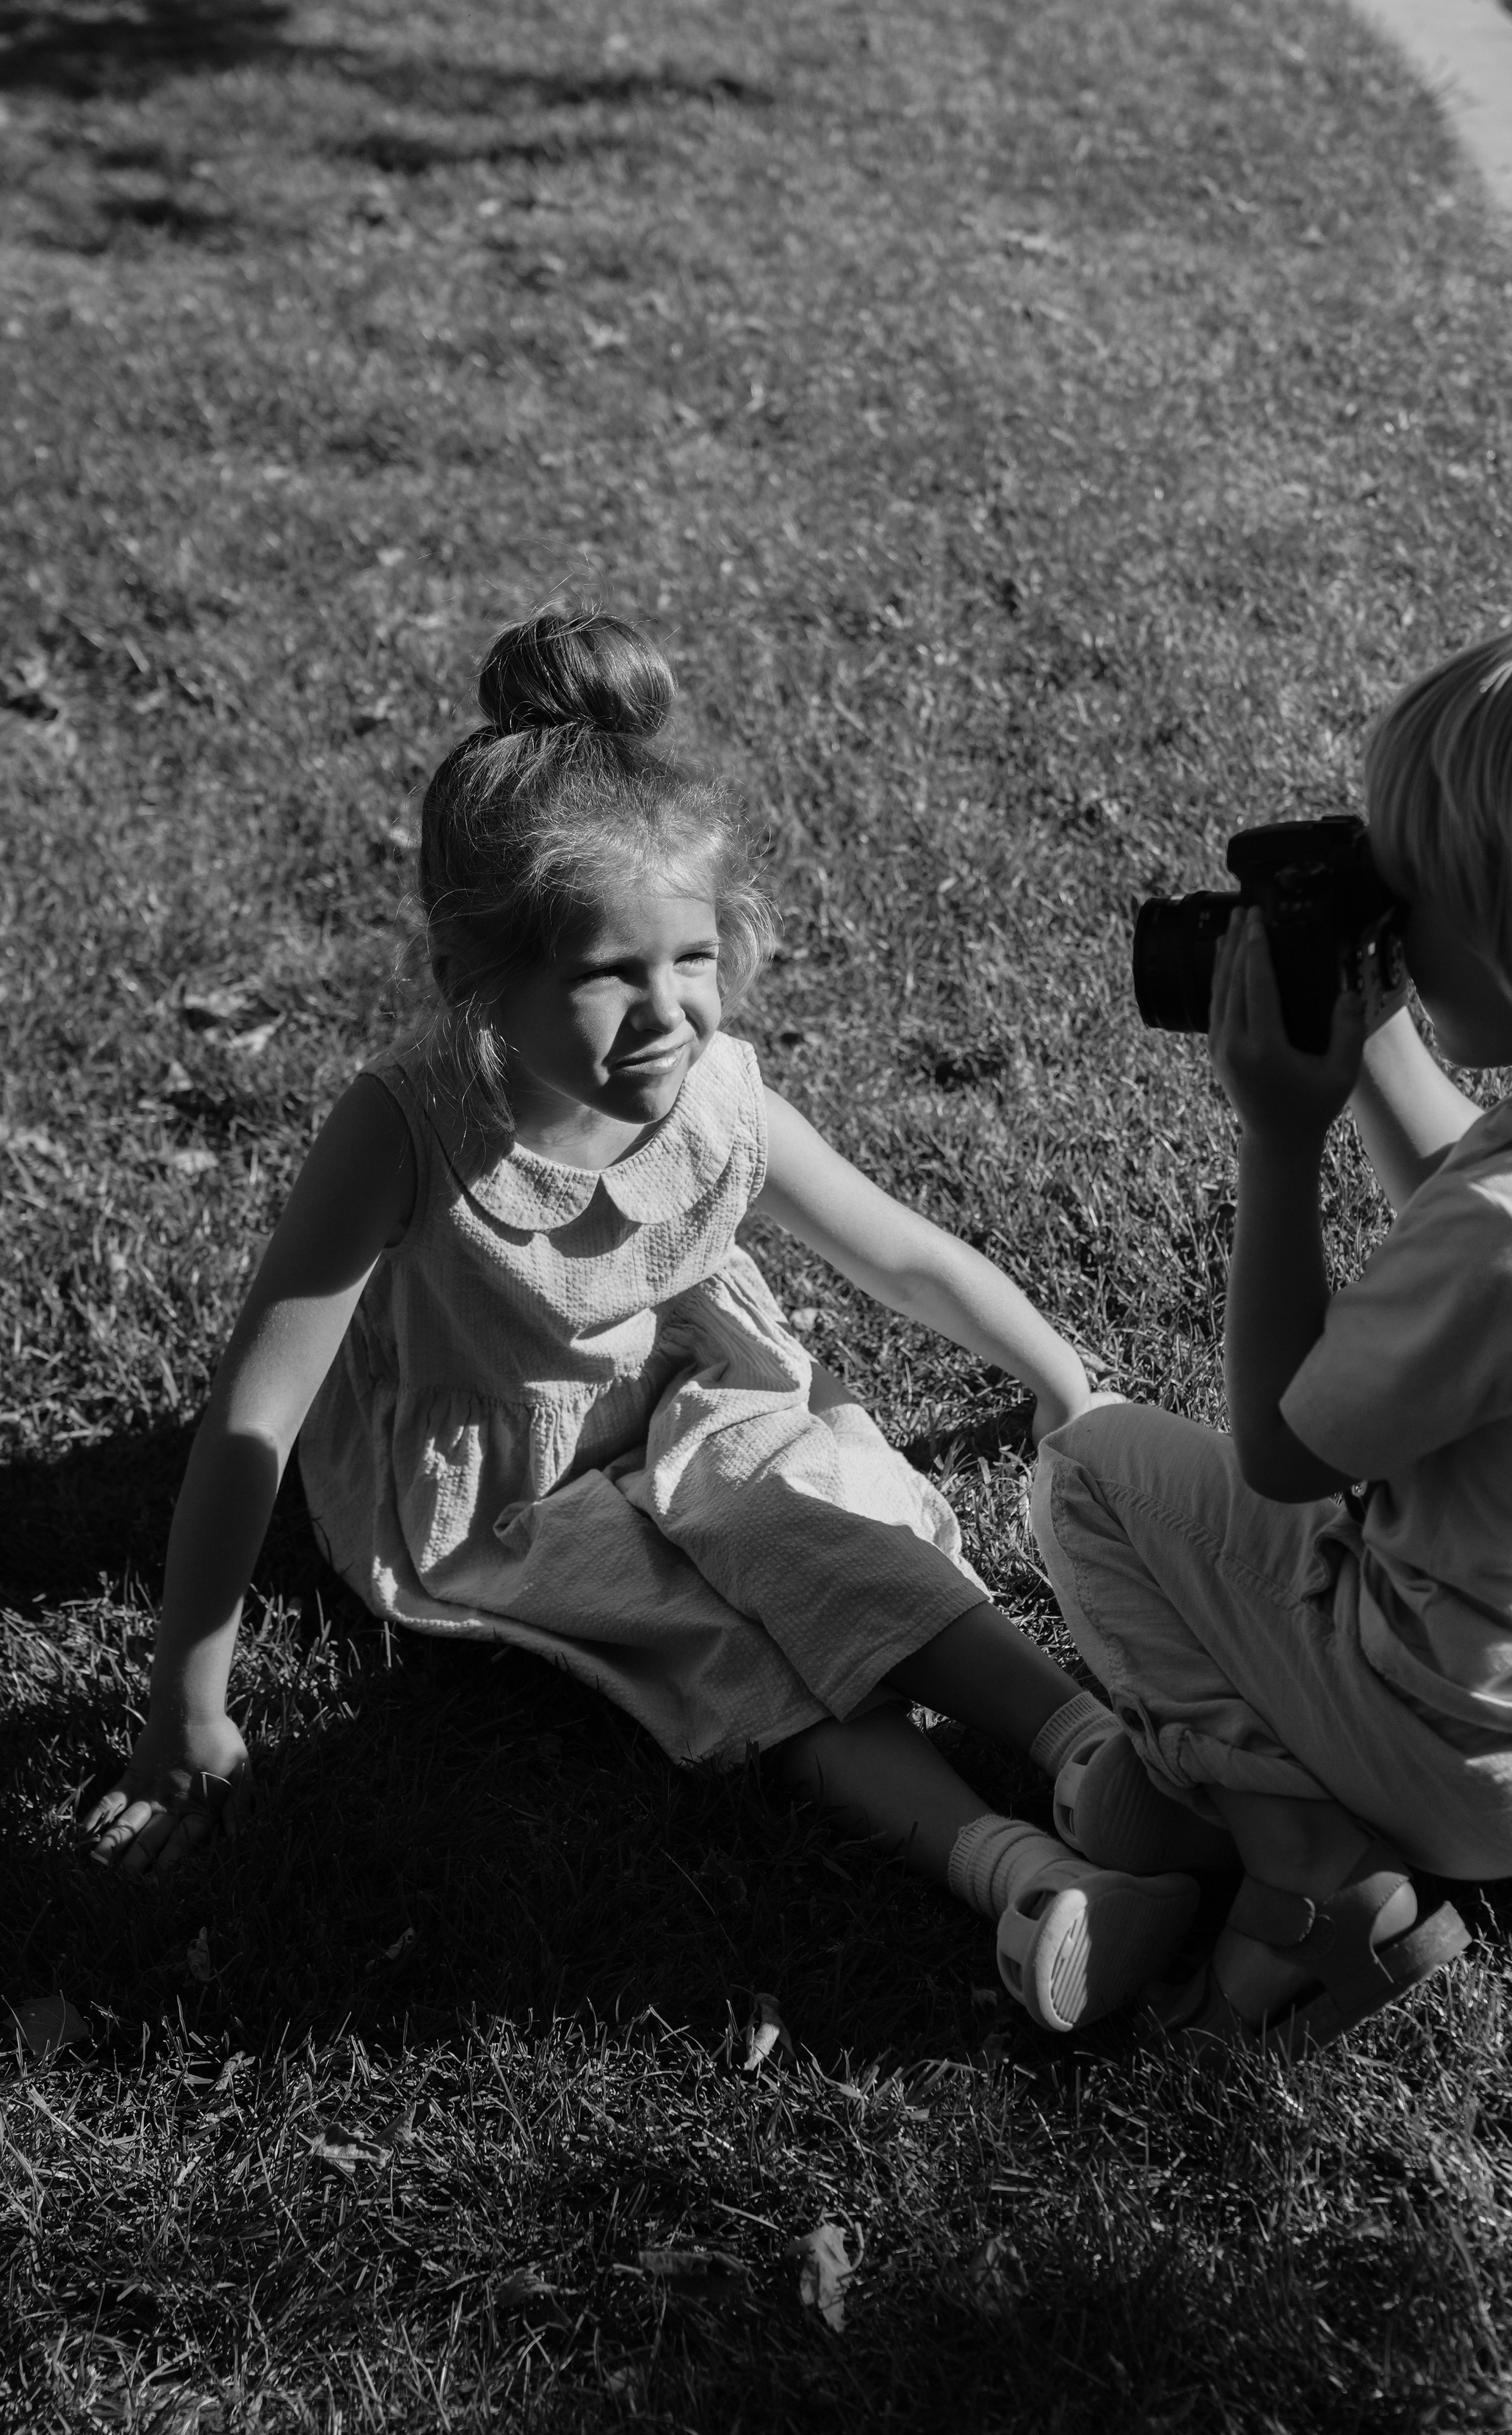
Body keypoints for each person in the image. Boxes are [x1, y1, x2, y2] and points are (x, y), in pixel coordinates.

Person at [79, 602, 1197, 2034]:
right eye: (605, 974)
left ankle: (1089, 1753)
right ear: (480, 974)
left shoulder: (718, 1093)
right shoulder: (406, 1127)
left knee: (820, 1543)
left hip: (690, 1398)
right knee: (723, 1661)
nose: (664, 1010)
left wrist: (1054, 1374)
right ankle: (1019, 1879)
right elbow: (253, 1417)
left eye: (689, 959)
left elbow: (896, 1255)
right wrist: (186, 1705)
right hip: (506, 1483)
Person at [1028, 607, 1512, 2054]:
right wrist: (1377, 1014)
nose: (1381, 915)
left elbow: (1278, 1453)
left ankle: (1310, 1872)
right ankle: (1409, 1805)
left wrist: (1279, 1146)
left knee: (1091, 1467)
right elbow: (1475, 1201)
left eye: (1410, 894)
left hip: (1479, 1764)